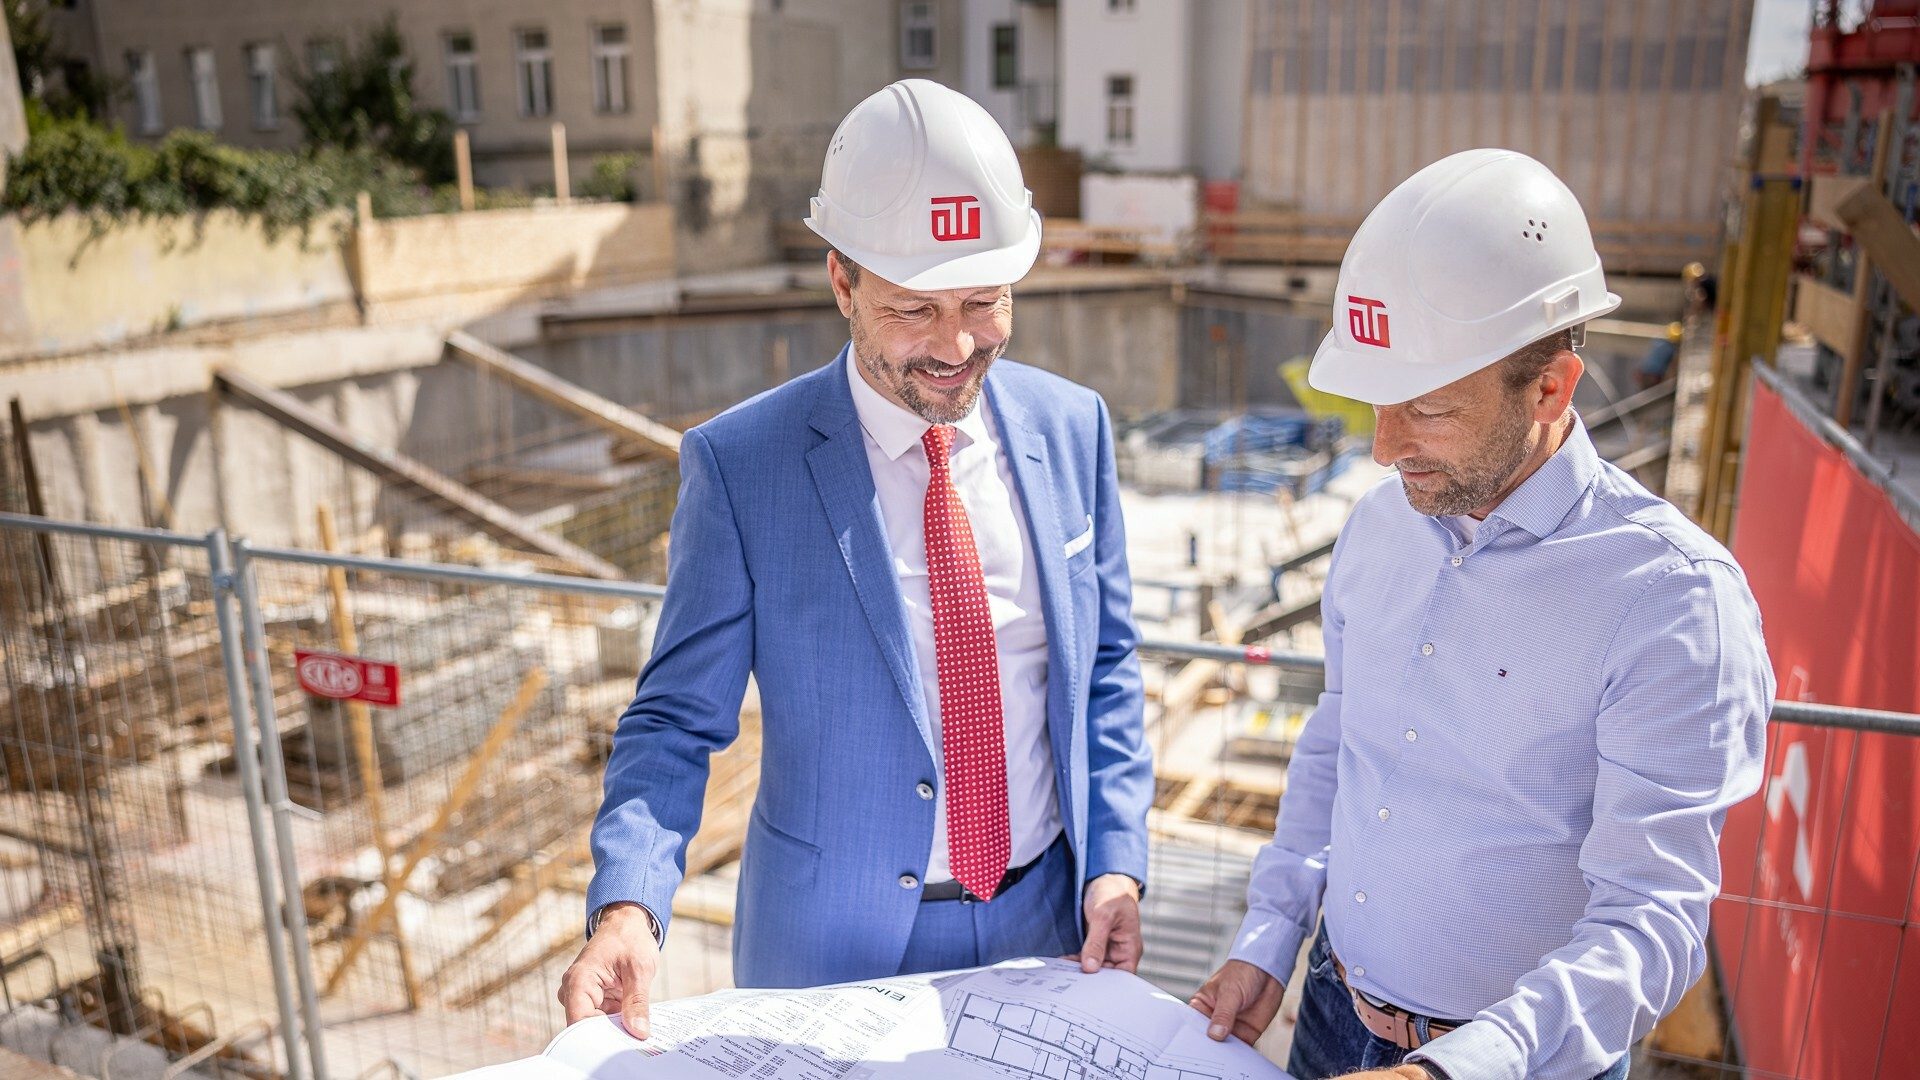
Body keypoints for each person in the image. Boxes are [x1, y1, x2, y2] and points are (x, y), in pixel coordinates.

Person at [561, 79, 1153, 1039]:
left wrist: (1117, 861)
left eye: (984, 302)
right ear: (842, 282)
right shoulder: (742, 466)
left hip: (1045, 929)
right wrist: (630, 903)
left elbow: (1109, 666)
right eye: (915, 309)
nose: (957, 345)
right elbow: (674, 720)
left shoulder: (1071, 425)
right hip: (827, 953)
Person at [1189, 149, 1773, 1080]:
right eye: (1376, 404)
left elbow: (1652, 919)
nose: (1384, 448)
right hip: (1331, 1012)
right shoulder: (1379, 529)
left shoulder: (1673, 602)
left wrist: (1455, 1069)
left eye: (1426, 409)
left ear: (1550, 387)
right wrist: (1270, 936)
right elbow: (1338, 746)